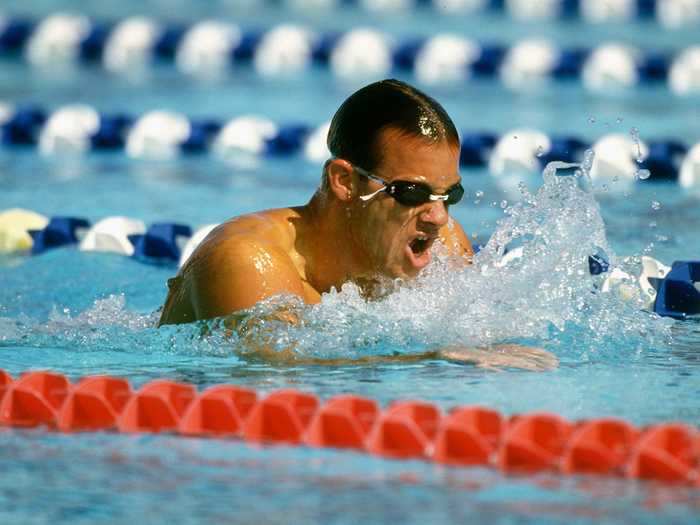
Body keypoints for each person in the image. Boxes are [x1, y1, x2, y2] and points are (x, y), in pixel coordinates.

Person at [159, 79, 557, 371]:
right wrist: (430, 357)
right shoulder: (247, 261)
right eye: (412, 193)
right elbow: (277, 373)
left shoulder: (443, 246)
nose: (439, 218)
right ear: (344, 181)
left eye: (448, 195)